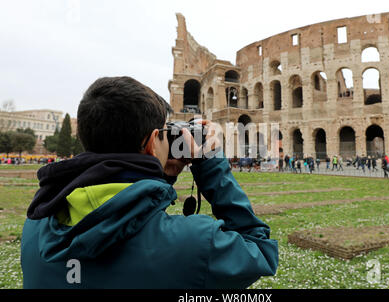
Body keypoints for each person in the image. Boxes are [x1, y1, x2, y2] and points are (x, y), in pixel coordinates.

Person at [21, 77, 278, 289]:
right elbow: (260, 251)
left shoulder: (37, 225)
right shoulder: (195, 244)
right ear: (153, 141)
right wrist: (211, 164)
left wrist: (159, 173)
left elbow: (124, 222)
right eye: (167, 134)